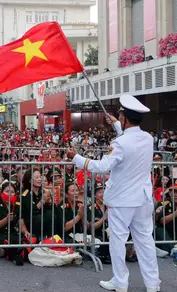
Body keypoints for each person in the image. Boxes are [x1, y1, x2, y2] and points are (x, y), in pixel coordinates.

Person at [66, 94, 160, 292]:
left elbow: (102, 166)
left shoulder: (120, 143)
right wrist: (117, 124)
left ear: (125, 118)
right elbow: (130, 138)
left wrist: (76, 158)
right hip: (143, 199)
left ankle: (120, 281)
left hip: (122, 200)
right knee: (145, 241)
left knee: (118, 241)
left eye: (121, 116)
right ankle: (153, 284)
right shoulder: (148, 138)